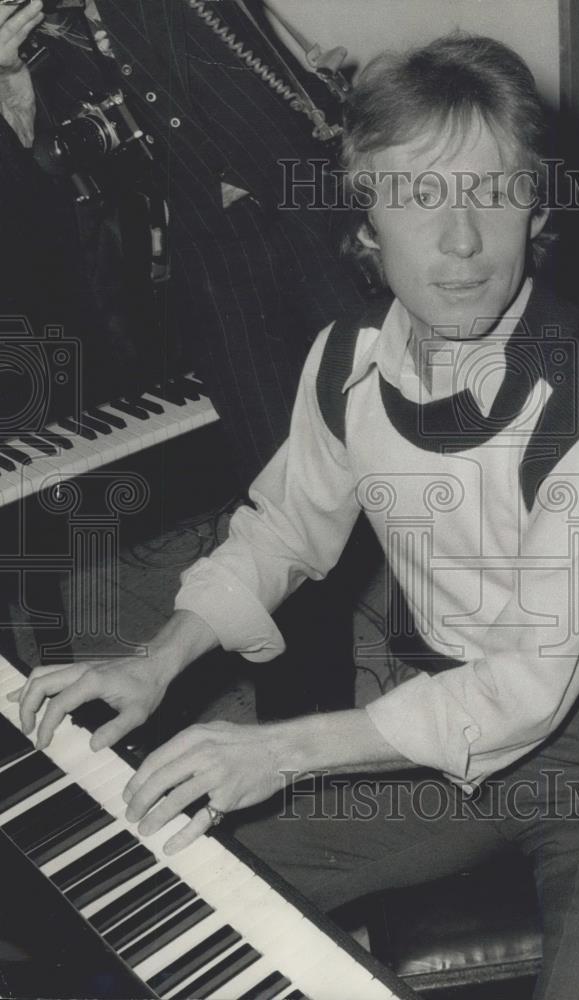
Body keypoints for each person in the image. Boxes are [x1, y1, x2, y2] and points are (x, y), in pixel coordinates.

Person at [11, 33, 579, 1000]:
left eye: (491, 193)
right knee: (140, 880)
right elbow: (284, 528)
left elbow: (522, 690)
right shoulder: (345, 361)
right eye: (419, 196)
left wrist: (281, 749)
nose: (460, 241)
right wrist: (157, 656)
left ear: (538, 209)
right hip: (433, 707)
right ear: (365, 224)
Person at [0, 0, 373, 717]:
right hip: (220, 272)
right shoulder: (34, 35)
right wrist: (11, 84)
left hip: (319, 221)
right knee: (284, 498)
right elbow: (43, 185)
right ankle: (298, 724)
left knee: (415, 444)